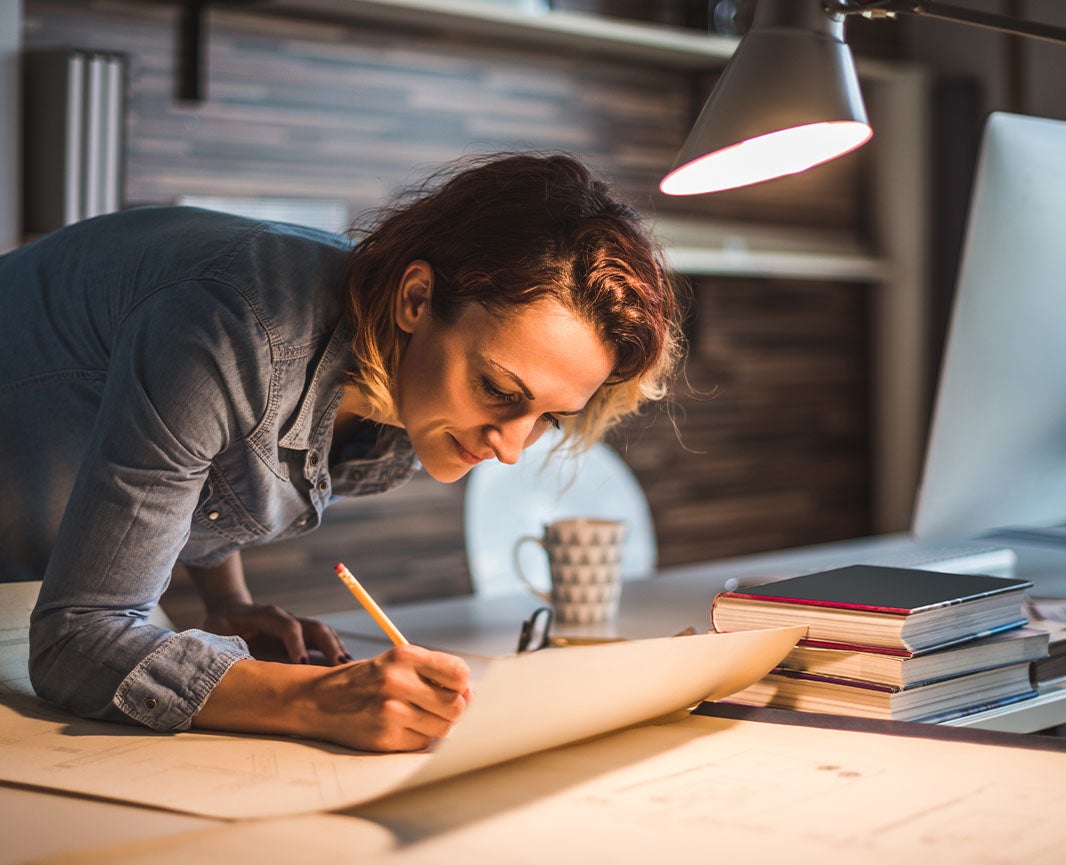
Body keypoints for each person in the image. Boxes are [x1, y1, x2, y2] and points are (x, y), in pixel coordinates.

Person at [0, 153, 684, 752]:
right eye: (499, 390)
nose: (510, 448)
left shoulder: (395, 373)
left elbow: (193, 451)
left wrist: (227, 601)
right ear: (418, 298)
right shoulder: (229, 326)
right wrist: (315, 701)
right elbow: (75, 644)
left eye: (547, 418)